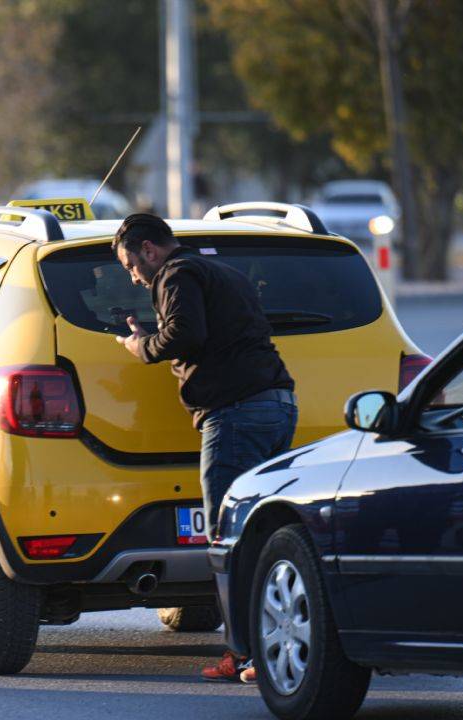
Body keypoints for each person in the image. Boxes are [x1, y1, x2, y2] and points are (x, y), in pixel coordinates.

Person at [111, 213, 297, 684]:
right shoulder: (224, 272)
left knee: (228, 540)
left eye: (131, 264)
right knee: (265, 536)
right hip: (278, 407)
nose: (133, 275)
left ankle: (247, 656)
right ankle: (278, 645)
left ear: (149, 250)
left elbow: (185, 335)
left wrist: (141, 346)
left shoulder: (177, 273)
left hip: (235, 416)